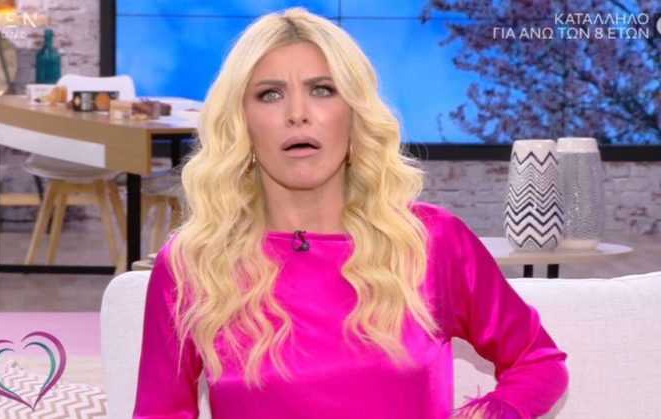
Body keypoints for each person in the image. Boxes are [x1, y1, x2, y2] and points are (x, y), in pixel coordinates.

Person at [133, 7, 568, 419]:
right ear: (241, 123)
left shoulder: (431, 242)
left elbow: (538, 361)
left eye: (322, 90)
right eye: (270, 94)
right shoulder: (195, 263)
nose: (297, 115)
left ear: (354, 115)